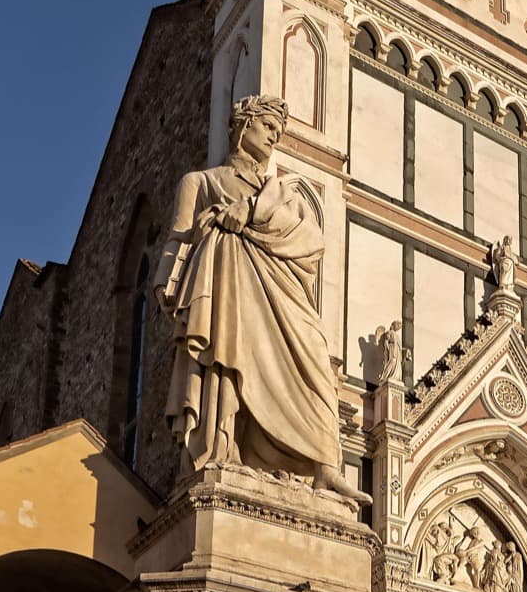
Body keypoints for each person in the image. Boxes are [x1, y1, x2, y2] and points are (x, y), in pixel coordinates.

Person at [156, 95, 370, 505]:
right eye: (268, 124)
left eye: (279, 129)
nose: (275, 135)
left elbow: (312, 242)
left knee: (318, 363)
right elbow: (176, 242)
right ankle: (223, 452)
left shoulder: (280, 193)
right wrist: (208, 231)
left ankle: (324, 466)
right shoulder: (200, 182)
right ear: (242, 125)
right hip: (226, 290)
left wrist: (252, 211)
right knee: (226, 364)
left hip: (281, 293)